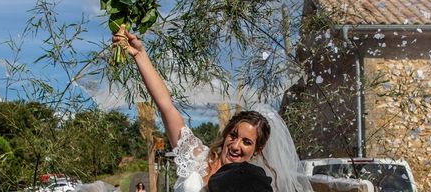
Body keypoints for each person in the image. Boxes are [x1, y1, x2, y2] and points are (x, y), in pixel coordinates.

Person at [115, 29, 312, 192]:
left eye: (246, 142)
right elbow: (166, 106)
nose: (235, 145)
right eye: (233, 135)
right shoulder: (197, 158)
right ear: (226, 134)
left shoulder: (254, 182)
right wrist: (140, 54)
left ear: (257, 150)